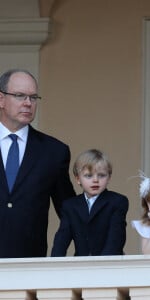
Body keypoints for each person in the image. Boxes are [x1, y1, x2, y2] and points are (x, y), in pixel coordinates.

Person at [0, 69, 75, 258]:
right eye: (20, 96)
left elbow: (70, 212)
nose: (28, 103)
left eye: (33, 98)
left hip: (29, 264)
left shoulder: (54, 152)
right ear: (1, 99)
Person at [51, 149, 129, 256]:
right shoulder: (70, 206)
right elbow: (61, 239)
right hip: (81, 266)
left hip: (109, 265)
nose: (95, 180)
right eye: (89, 175)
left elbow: (115, 239)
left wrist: (102, 265)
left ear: (109, 177)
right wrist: (55, 265)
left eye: (101, 175)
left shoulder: (117, 201)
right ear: (78, 179)